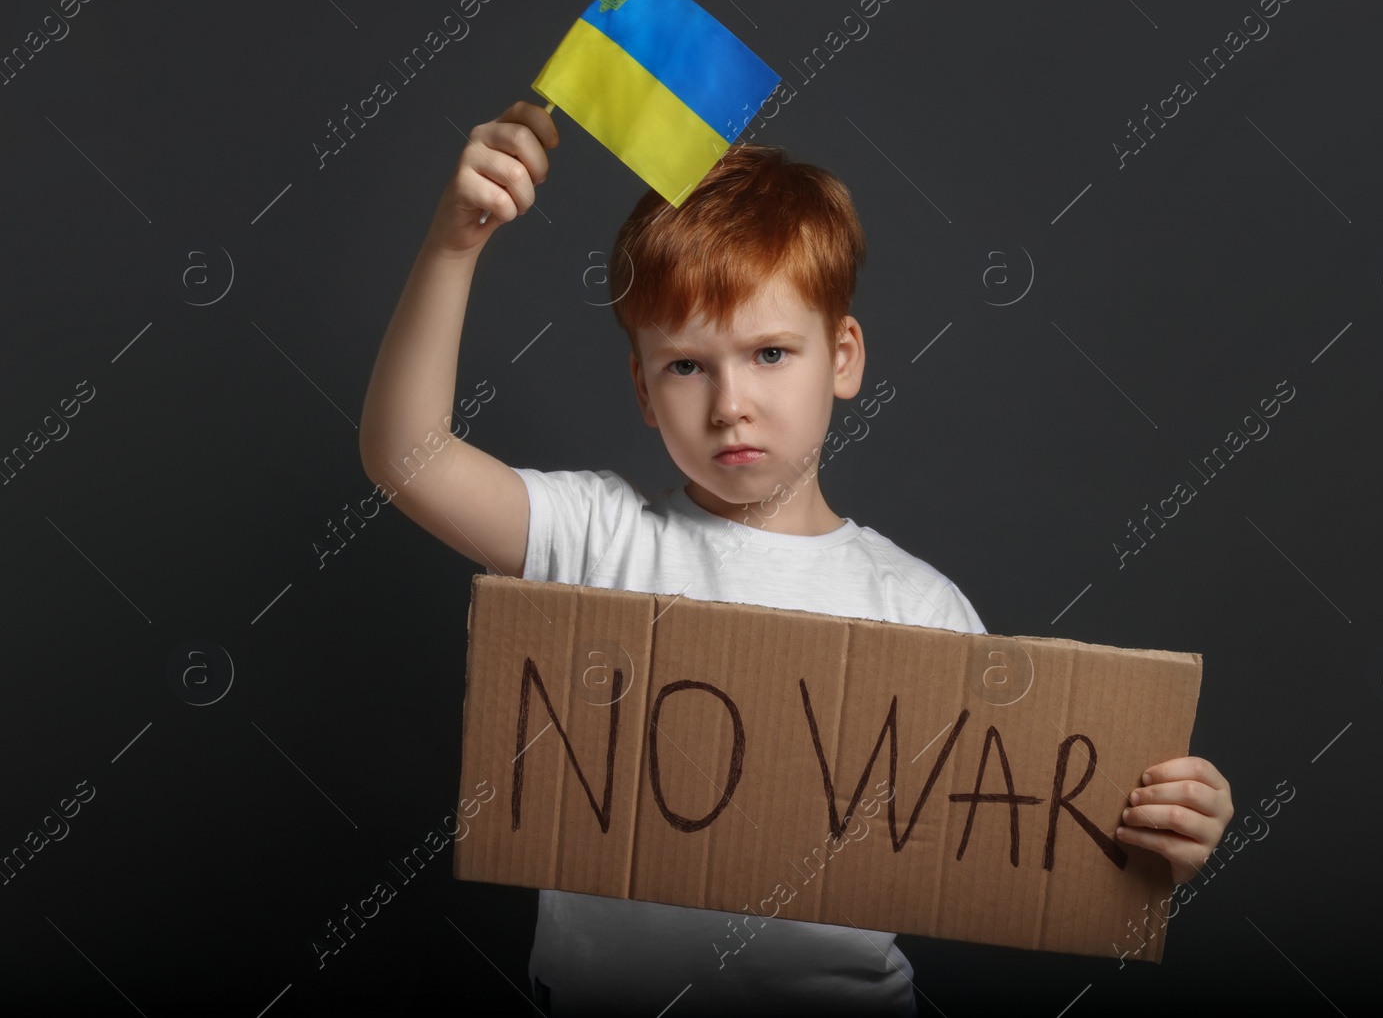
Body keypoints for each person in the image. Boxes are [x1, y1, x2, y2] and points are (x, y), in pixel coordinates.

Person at [358, 101, 1235, 1015]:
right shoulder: (596, 538)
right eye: (687, 366)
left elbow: (1029, 827)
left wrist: (1162, 833)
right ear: (644, 389)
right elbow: (405, 455)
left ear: (843, 357)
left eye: (771, 352)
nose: (731, 402)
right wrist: (453, 246)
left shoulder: (919, 607)